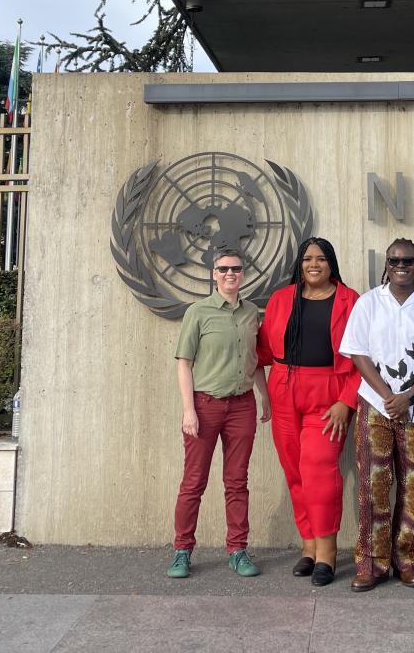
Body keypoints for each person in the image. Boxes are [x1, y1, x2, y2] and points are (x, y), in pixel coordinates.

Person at [339, 238, 414, 591]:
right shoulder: (369, 303)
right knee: (374, 486)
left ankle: (407, 559)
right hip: (375, 406)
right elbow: (358, 353)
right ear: (386, 265)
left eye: (407, 260)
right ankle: (371, 564)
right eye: (394, 260)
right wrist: (389, 396)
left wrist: (410, 395)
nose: (400, 265)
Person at [254, 237, 360, 586]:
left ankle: (328, 552)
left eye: (321, 258)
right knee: (295, 472)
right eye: (307, 258)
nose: (313, 264)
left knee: (319, 471)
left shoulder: (350, 300)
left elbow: (364, 355)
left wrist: (347, 401)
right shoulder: (281, 300)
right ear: (299, 264)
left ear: (332, 263)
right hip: (284, 390)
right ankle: (309, 546)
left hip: (328, 395)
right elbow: (263, 349)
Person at [167, 248, 271, 579]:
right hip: (205, 406)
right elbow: (184, 362)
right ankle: (182, 550)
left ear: (243, 274)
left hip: (242, 406)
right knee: (194, 481)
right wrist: (188, 410)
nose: (231, 274)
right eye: (224, 269)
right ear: (214, 274)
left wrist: (264, 397)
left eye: (237, 269)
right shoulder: (198, 313)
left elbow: (255, 362)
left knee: (237, 482)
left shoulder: (252, 312)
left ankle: (237, 550)